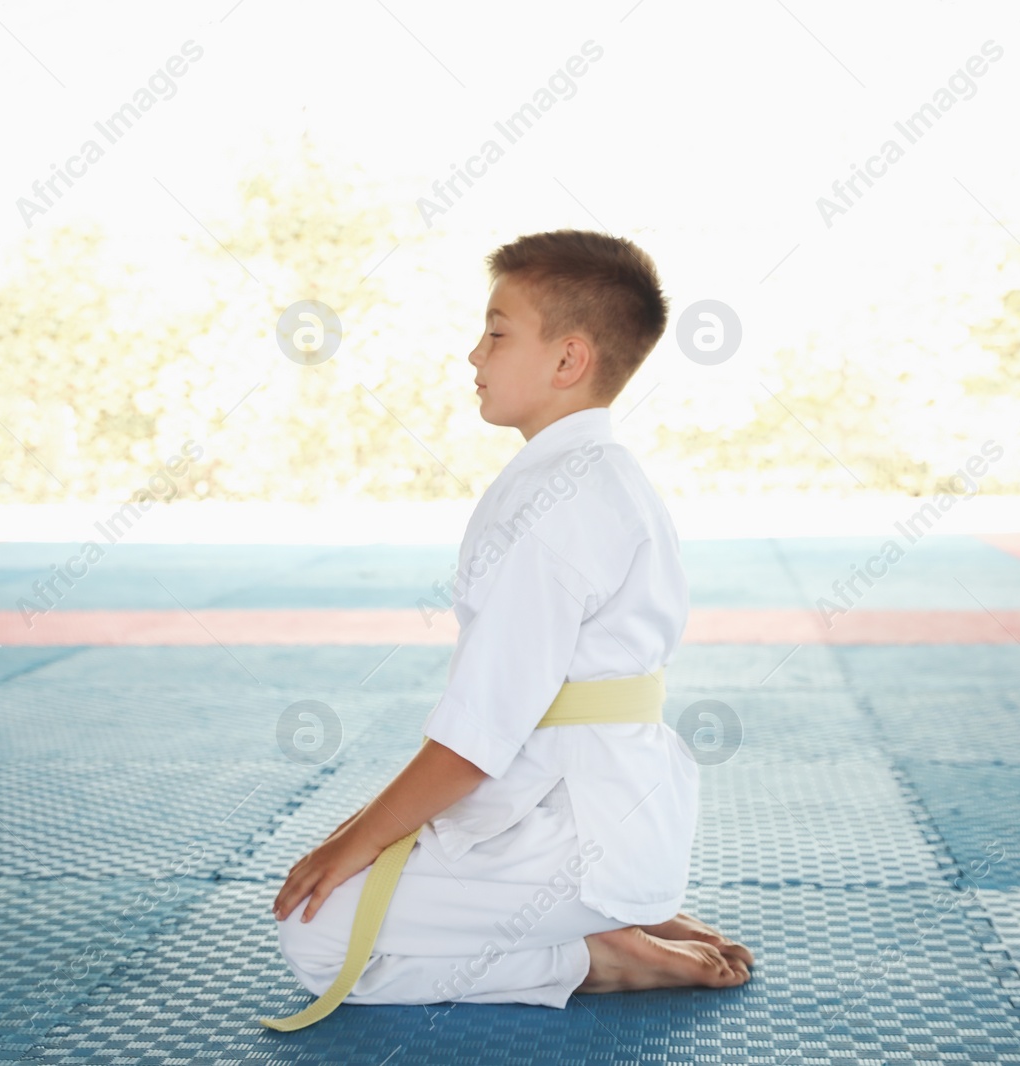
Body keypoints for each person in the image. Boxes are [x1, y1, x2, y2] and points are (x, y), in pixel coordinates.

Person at [267, 229, 752, 1024]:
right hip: (612, 814)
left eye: (495, 333)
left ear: (567, 361)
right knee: (354, 876)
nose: (473, 355)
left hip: (581, 836)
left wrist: (347, 844)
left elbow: (478, 736)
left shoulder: (555, 507)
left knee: (315, 940)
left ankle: (597, 954)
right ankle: (608, 916)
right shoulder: (600, 475)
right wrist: (360, 830)